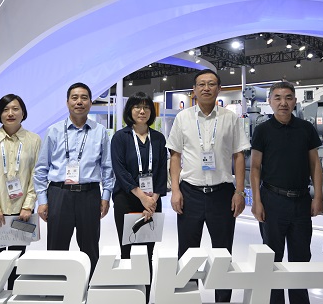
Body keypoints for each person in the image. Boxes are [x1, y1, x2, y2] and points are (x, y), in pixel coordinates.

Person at [166, 69, 250, 303]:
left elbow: (239, 156)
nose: (206, 88)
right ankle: (187, 298)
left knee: (223, 253)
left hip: (222, 194)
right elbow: (175, 156)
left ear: (219, 89)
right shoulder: (183, 118)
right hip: (190, 193)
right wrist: (175, 190)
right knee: (187, 252)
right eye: (201, 84)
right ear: (194, 90)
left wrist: (239, 191)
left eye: (211, 84)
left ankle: (222, 300)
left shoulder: (230, 118)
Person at [250, 81, 323, 304]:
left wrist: (318, 196)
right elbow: (255, 167)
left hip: (301, 201)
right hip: (272, 200)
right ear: (270, 101)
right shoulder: (262, 130)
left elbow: (315, 164)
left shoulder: (306, 128)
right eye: (278, 98)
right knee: (272, 258)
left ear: (295, 101)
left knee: (301, 258)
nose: (283, 103)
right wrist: (256, 201)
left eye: (288, 98)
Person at [33, 82, 115, 277]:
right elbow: (41, 168)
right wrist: (42, 200)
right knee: (56, 247)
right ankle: (56, 285)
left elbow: (107, 167)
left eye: (84, 98)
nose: (79, 102)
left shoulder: (100, 131)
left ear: (91, 102)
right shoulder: (54, 131)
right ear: (67, 102)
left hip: (89, 194)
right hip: (59, 194)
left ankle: (89, 285)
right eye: (75, 98)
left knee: (90, 248)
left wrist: (105, 197)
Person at [0, 94, 41, 289]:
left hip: (22, 212)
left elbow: (37, 174)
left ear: (23, 113)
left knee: (17, 259)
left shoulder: (34, 140)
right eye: (5, 110)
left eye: (15, 109)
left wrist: (28, 205)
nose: (10, 113)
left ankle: (13, 295)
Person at [111, 92, 167, 302]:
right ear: (130, 111)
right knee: (127, 250)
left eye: (146, 107)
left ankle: (144, 297)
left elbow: (161, 172)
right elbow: (120, 171)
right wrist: (141, 196)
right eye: (137, 107)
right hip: (126, 199)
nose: (142, 111)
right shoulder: (120, 137)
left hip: (152, 201)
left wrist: (153, 199)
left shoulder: (158, 138)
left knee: (147, 253)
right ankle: (129, 297)